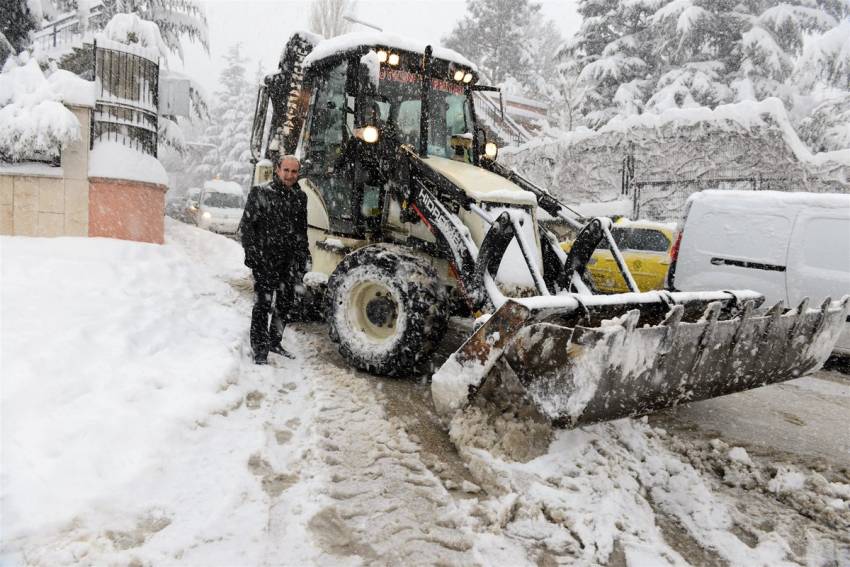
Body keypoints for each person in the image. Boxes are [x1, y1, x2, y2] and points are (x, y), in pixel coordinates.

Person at [239, 154, 310, 364]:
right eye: (286, 170)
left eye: (294, 171)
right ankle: (260, 349)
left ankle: (274, 341)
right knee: (263, 304)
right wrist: (252, 255)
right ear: (277, 170)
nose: (289, 175)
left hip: (289, 261)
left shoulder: (300, 197)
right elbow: (247, 227)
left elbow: (301, 231)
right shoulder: (260, 193)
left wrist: (304, 257)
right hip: (265, 258)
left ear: (298, 173)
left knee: (285, 303)